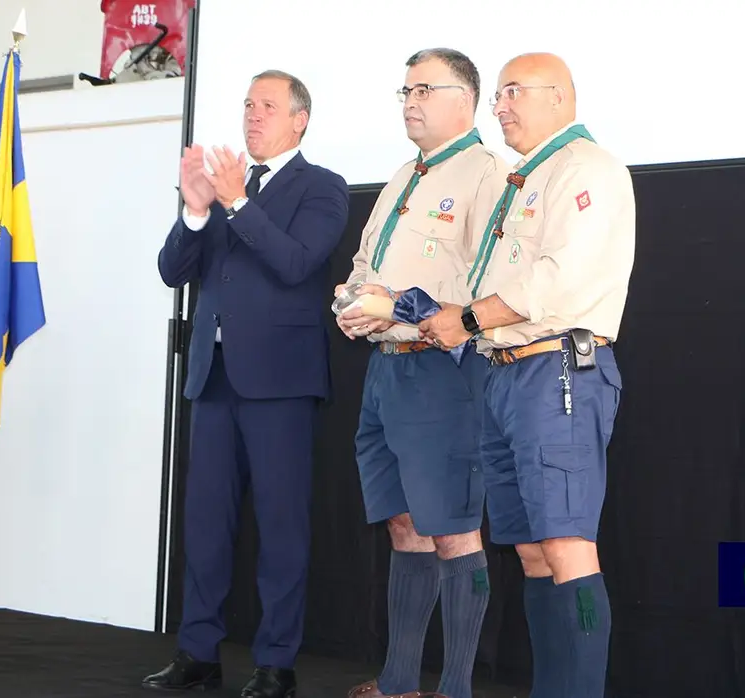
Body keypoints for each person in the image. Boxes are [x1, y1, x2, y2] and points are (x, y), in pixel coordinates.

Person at [419, 52, 635, 698]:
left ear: (560, 98)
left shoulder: (589, 169)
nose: (501, 106)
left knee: (568, 548)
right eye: (500, 95)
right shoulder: (522, 179)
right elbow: (490, 278)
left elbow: (557, 281)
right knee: (533, 553)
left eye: (514, 92)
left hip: (558, 374)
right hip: (506, 374)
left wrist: (468, 319)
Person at [145, 69, 350, 698]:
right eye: (247, 104)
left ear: (299, 120)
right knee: (204, 523)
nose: (252, 115)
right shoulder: (222, 185)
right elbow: (171, 271)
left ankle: (275, 662)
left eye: (267, 105)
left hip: (281, 383)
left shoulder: (322, 187)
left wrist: (236, 202)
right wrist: (196, 210)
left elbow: (296, 264)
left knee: (281, 525)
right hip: (213, 377)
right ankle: (197, 651)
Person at [334, 48, 508, 698]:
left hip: (446, 375)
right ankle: (401, 681)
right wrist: (353, 304)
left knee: (455, 531)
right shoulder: (403, 175)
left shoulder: (488, 176)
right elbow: (364, 264)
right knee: (404, 526)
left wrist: (399, 306)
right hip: (387, 372)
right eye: (403, 90)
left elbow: (496, 290)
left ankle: (456, 688)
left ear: (463, 98)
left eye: (423, 89)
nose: (409, 101)